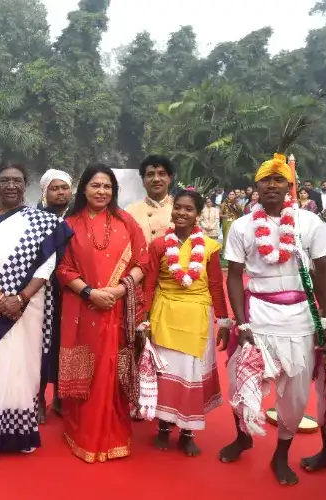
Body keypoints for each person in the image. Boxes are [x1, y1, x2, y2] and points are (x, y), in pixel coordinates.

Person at [220, 154, 326, 486]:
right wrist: (241, 324)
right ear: (256, 186)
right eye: (265, 180)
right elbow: (234, 276)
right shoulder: (242, 226)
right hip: (258, 317)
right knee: (242, 385)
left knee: (296, 398)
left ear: (289, 185)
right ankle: (243, 436)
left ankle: (280, 454)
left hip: (300, 318)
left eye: (278, 179)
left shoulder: (309, 223)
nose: (272, 185)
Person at [0, 163, 72, 453]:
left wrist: (21, 298)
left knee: (25, 365)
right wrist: (1, 299)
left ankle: (24, 433)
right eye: (5, 180)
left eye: (17, 180)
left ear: (27, 185)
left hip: (30, 305)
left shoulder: (41, 221)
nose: (10, 185)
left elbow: (48, 263)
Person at [56, 164, 148, 463]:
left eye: (107, 186)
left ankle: (113, 435)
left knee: (112, 368)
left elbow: (142, 262)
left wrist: (121, 290)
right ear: (84, 189)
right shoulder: (69, 224)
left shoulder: (126, 222)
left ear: (114, 191)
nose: (101, 191)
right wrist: (90, 292)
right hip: (82, 310)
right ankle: (81, 432)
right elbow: (62, 268)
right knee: (86, 368)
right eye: (95, 185)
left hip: (117, 310)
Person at [141, 189, 230, 457]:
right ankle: (164, 429)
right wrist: (143, 319)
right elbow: (149, 284)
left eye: (188, 209)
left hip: (197, 316)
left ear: (197, 214)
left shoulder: (210, 246)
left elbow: (215, 284)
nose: (181, 212)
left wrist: (223, 320)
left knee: (191, 373)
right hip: (164, 313)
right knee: (166, 373)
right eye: (178, 207)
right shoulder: (158, 245)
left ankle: (188, 432)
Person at [35, 169, 72, 423]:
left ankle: (62, 397)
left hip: (72, 292)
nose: (60, 192)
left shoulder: (78, 219)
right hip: (43, 292)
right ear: (45, 192)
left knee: (65, 343)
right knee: (41, 347)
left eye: (64, 188)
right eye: (54, 188)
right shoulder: (35, 220)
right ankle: (38, 399)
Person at [126, 155, 175, 246]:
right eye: (150, 174)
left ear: (169, 179)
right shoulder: (130, 212)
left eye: (161, 173)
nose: (156, 179)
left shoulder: (180, 209)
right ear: (143, 181)